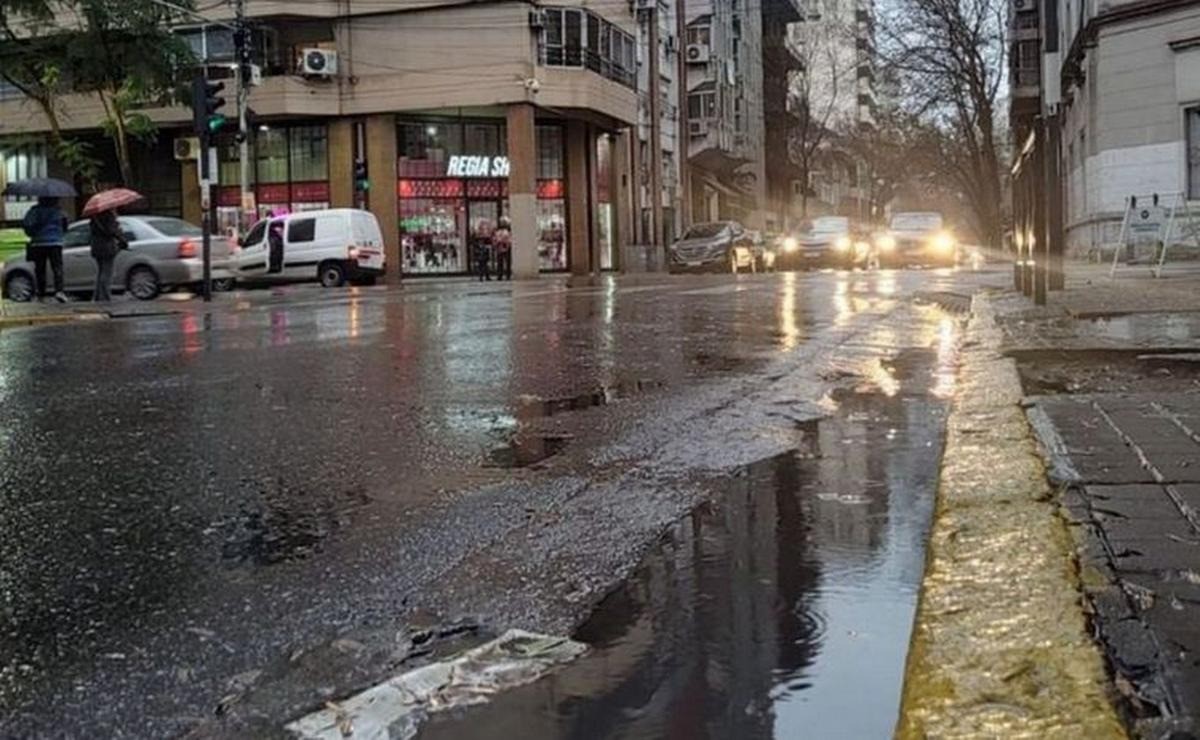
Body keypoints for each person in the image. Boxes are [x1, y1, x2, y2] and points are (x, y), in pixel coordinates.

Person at [22, 196, 68, 302]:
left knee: (40, 269)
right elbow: (65, 226)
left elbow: (27, 225)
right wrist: (59, 233)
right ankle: (59, 291)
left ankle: (41, 293)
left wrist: (33, 233)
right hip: (56, 242)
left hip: (39, 243)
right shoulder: (59, 211)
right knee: (57, 267)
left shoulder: (34, 211)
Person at [88, 209, 127, 302]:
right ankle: (104, 297)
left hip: (96, 246)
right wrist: (121, 238)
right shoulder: (108, 215)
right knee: (107, 272)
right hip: (107, 246)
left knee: (101, 271)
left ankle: (97, 296)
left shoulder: (94, 217)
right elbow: (112, 230)